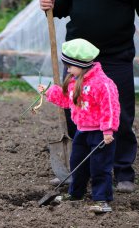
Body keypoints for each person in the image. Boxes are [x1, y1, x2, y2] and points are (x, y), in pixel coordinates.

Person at [40, 0, 139, 193]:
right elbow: (64, 5)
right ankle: (77, 170)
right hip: (78, 57)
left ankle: (123, 170)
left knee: (118, 113)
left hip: (116, 53)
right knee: (74, 111)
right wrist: (52, 4)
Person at [38, 38, 120, 213]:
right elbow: (67, 101)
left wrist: (108, 129)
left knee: (100, 167)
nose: (67, 69)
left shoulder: (103, 84)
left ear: (81, 64)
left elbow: (111, 108)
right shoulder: (76, 81)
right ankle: (76, 194)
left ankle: (102, 200)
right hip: (81, 132)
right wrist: (49, 92)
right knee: (77, 164)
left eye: (69, 66)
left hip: (100, 134)